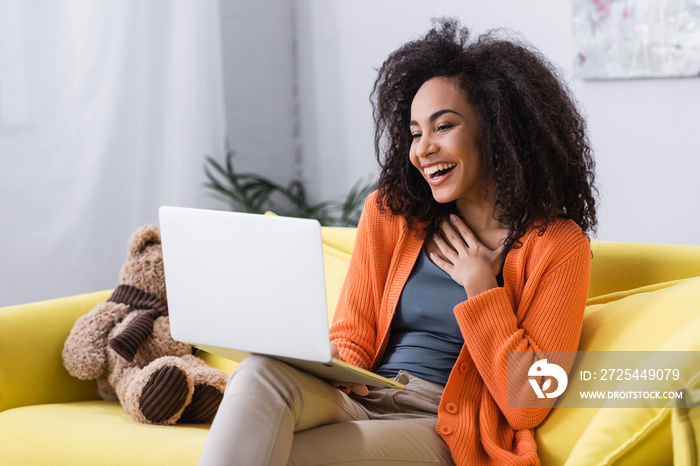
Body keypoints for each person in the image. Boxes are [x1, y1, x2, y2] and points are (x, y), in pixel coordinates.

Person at [199, 17, 597, 466]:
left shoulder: (557, 246)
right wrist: (335, 363)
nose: (421, 149)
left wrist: (481, 287)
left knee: (283, 455)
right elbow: (353, 333)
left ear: (498, 129)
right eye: (414, 132)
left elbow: (529, 401)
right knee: (258, 373)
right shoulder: (392, 212)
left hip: (442, 426)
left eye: (442, 126)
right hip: (366, 398)